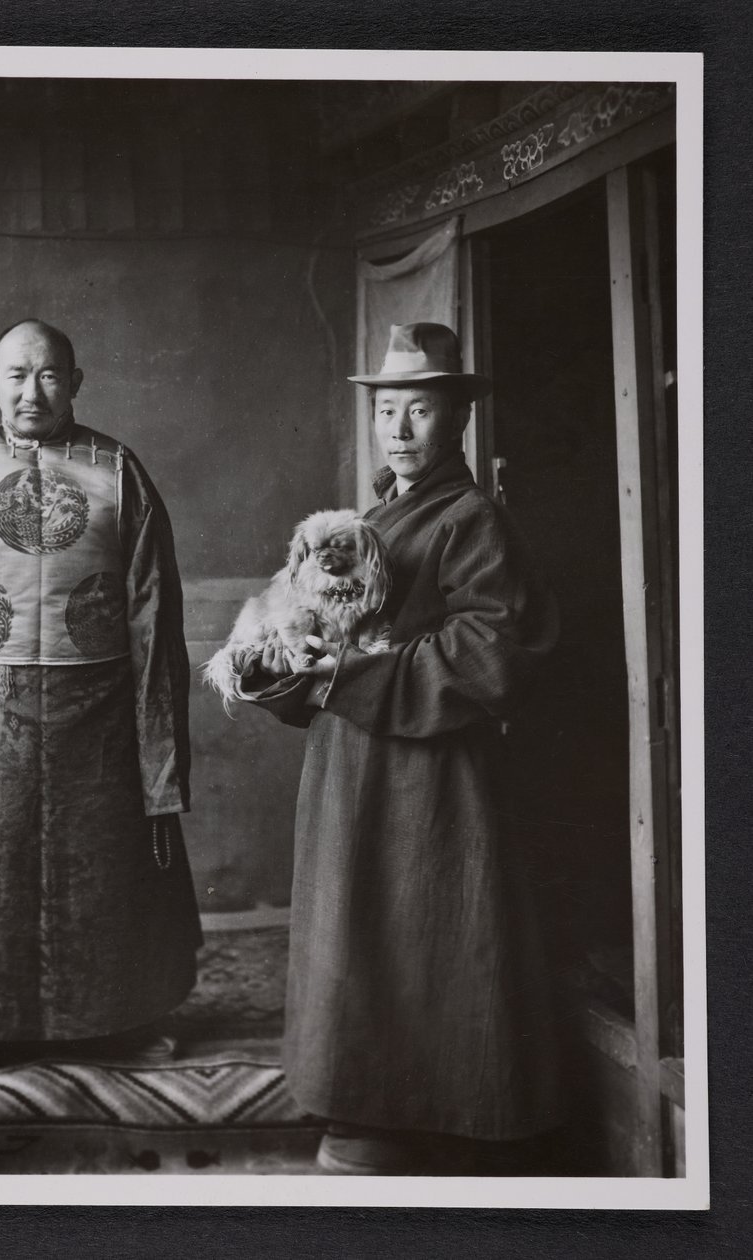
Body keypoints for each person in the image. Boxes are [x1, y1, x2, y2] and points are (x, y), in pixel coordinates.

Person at [241, 323, 565, 1174]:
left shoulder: (471, 519)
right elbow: (327, 619)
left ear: (455, 416)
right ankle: (356, 1102)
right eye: (387, 410)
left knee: (420, 930)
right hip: (354, 761)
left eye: (418, 410)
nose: (398, 429)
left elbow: (492, 651)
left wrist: (351, 674)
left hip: (430, 772)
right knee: (357, 930)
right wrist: (285, 656)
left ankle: (427, 1116)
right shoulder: (371, 515)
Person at [0, 318, 202, 1075]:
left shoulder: (117, 470)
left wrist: (155, 744)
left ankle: (117, 1024)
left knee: (106, 869)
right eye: (17, 375)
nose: (33, 391)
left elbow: (153, 613)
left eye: (50, 374)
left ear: (76, 382)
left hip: (96, 710)